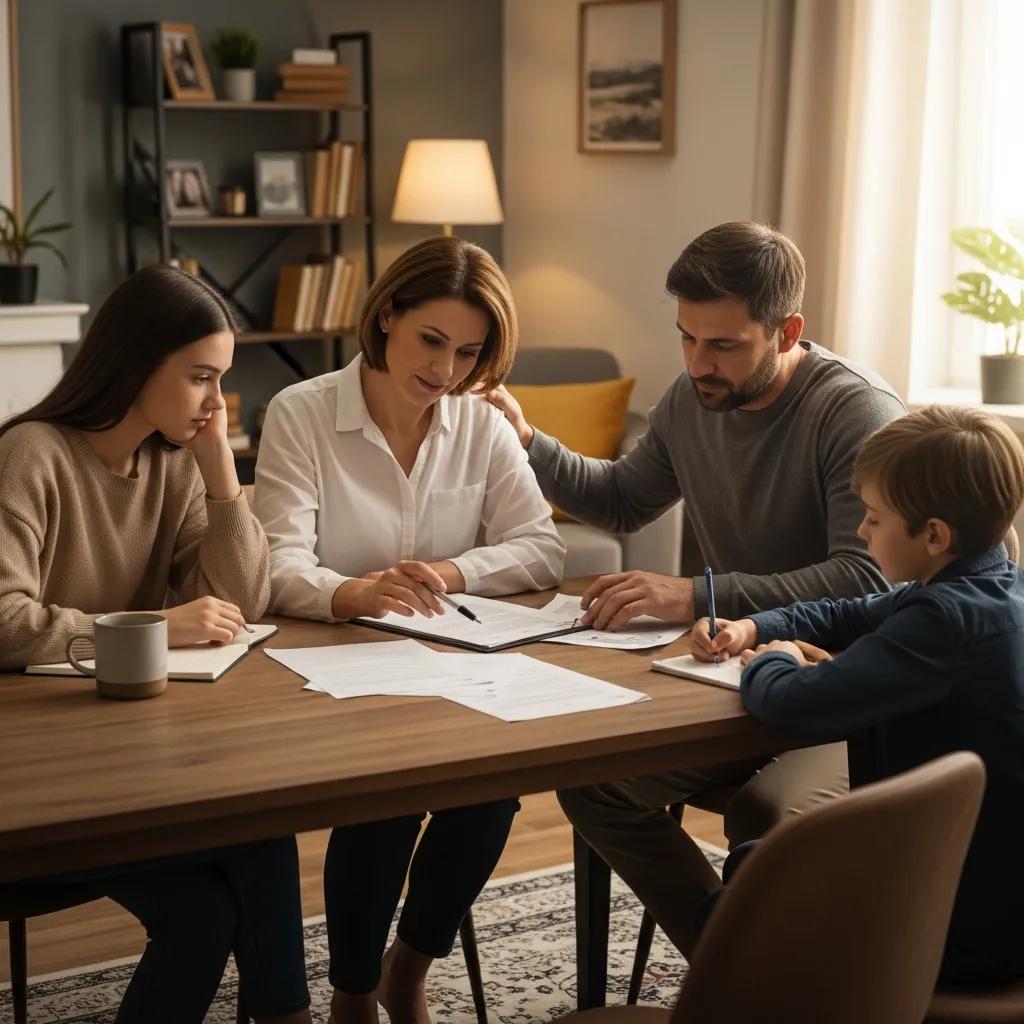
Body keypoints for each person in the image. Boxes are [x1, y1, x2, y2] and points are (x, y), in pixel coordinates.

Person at [485, 220, 906, 958]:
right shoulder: (693, 398)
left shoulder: (854, 412)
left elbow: (864, 576)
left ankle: (760, 972)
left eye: (723, 344)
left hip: (842, 687)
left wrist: (697, 594)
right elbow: (621, 500)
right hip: (736, 674)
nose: (697, 363)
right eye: (686, 337)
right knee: (597, 783)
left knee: (770, 816)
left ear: (787, 330)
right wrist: (527, 440)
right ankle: (735, 962)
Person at [254, 236, 565, 1023]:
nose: (446, 372)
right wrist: (352, 592)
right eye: (432, 341)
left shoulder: (482, 423)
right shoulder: (303, 411)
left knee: (490, 793)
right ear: (386, 313)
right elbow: (275, 564)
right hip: (332, 669)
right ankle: (354, 993)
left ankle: (410, 968)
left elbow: (542, 546)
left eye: (468, 352)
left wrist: (452, 572)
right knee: (385, 796)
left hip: (456, 660)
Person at [0, 265, 310, 1023]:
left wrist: (219, 471)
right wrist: (152, 626)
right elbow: (3, 619)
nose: (217, 401)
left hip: (130, 759)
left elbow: (243, 599)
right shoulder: (33, 453)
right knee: (217, 896)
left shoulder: (169, 466)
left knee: (251, 849)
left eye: (221, 379)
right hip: (37, 774)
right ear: (137, 364)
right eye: (201, 378)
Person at [694, 405, 1024, 987]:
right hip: (996, 891)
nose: (861, 532)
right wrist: (754, 626)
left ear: (933, 535)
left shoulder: (942, 622)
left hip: (952, 920)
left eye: (873, 519)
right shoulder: (986, 587)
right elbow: (845, 613)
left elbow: (792, 704)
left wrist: (774, 659)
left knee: (751, 876)